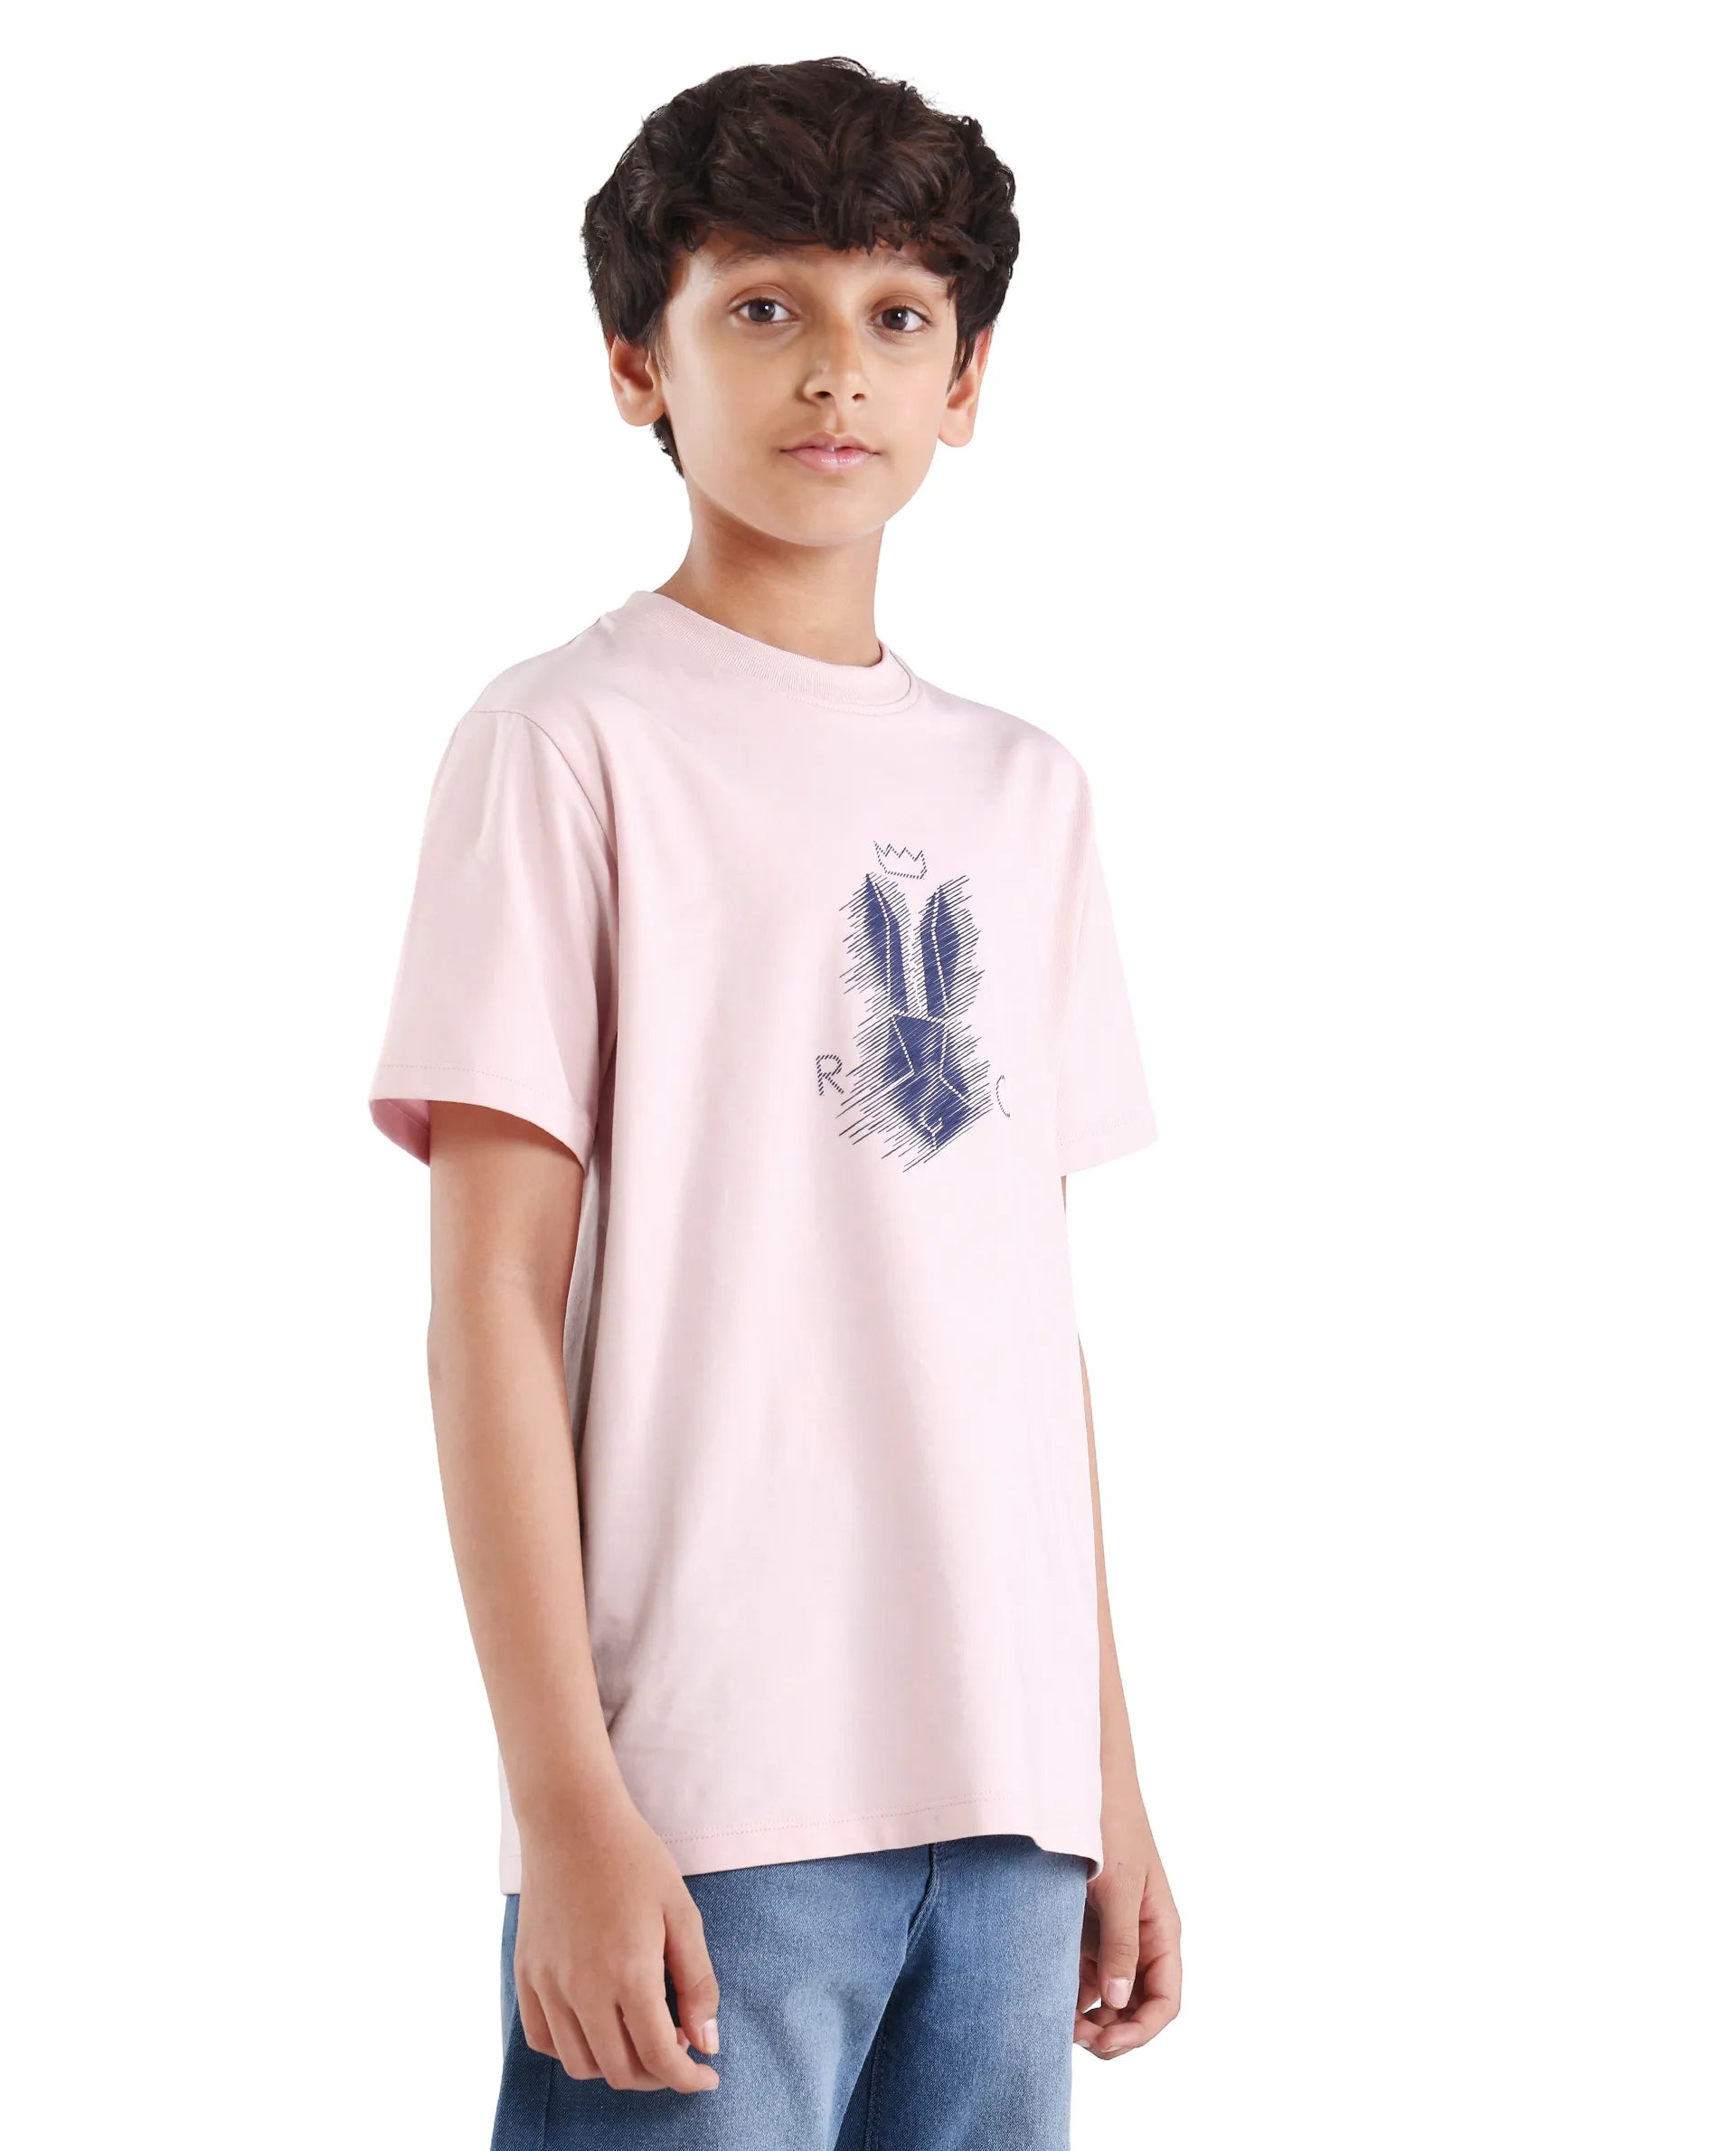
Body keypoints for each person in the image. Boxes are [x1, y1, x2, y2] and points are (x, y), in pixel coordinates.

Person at [367, 53, 1182, 2149]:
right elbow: (487, 1308)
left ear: (967, 381)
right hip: (705, 1802)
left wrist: (1103, 1774)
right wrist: (567, 1798)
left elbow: (1024, 1331)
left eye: (898, 315)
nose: (837, 370)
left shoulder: (1028, 793)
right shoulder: (569, 745)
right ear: (637, 361)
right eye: (765, 308)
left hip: (1004, 1807)